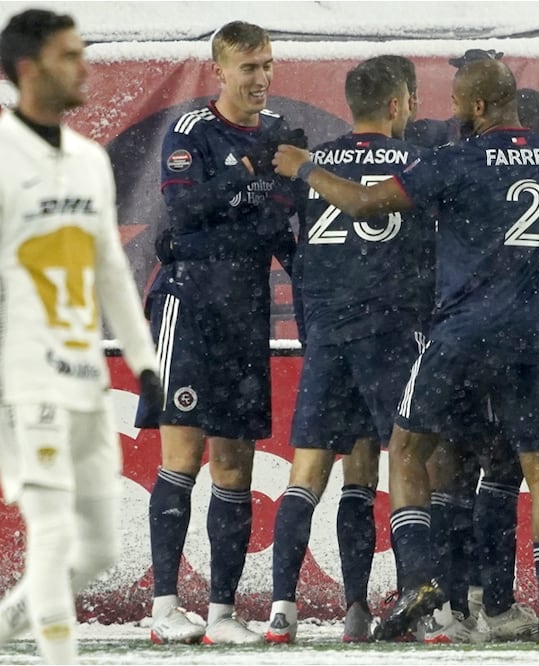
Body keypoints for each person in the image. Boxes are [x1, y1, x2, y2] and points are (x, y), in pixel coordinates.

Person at [271, 57, 539, 644]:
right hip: (536, 337)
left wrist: (308, 167)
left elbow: (364, 205)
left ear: (479, 107)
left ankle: (419, 582)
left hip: (460, 334)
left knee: (409, 450)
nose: (452, 113)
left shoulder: (454, 161)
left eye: (461, 103)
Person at [0, 9, 163, 664]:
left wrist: (142, 360)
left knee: (97, 553)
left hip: (84, 376)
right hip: (19, 378)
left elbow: (111, 271)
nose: (84, 66)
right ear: (30, 70)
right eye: (70, 55)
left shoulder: (90, 161)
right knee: (54, 535)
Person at [133, 20, 306, 645]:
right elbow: (181, 211)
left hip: (244, 312)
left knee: (234, 463)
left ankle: (223, 613)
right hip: (190, 304)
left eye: (267, 65)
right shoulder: (191, 131)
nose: (260, 78)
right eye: (249, 67)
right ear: (220, 72)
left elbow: (283, 233)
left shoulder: (280, 139)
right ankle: (162, 608)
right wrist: (246, 174)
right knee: (181, 457)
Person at [263, 55, 428, 645]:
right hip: (389, 334)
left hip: (329, 336)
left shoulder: (312, 163)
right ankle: (403, 604)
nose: (413, 109)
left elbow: (290, 244)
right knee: (398, 466)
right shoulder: (415, 162)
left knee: (309, 471)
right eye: (410, 99)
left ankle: (283, 608)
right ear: (394, 104)